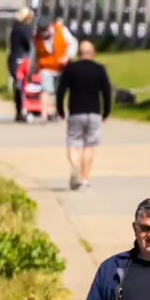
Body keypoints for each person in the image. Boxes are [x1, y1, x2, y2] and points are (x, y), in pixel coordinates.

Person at [56, 41, 112, 190]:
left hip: (75, 113)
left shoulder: (70, 69)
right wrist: (106, 112)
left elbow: (61, 91)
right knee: (89, 146)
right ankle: (84, 180)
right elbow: (106, 93)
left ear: (78, 54)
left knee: (73, 143)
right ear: (93, 53)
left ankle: (74, 166)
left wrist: (60, 110)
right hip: (93, 112)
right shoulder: (99, 69)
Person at [34, 19, 73, 121]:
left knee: (59, 91)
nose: (42, 33)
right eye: (40, 30)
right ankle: (44, 114)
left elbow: (73, 43)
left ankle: (57, 112)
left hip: (61, 67)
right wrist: (31, 71)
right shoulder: (35, 38)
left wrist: (67, 56)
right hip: (46, 67)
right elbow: (33, 55)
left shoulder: (61, 30)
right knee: (46, 89)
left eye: (44, 30)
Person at [7, 8, 36, 118]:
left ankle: (20, 110)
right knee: (22, 85)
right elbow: (29, 45)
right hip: (21, 59)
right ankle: (25, 108)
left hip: (14, 58)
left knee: (19, 85)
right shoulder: (25, 29)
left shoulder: (15, 28)